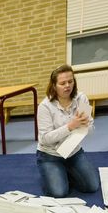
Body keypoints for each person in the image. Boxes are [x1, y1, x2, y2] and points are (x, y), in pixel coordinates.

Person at [35, 64, 100, 198]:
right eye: (62, 83)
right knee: (59, 193)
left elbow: (91, 131)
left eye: (70, 81)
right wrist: (71, 126)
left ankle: (66, 171)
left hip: (74, 152)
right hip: (50, 155)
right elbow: (45, 139)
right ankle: (53, 172)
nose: (67, 86)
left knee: (92, 186)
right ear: (54, 86)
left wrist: (87, 125)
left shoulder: (81, 98)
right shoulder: (44, 106)